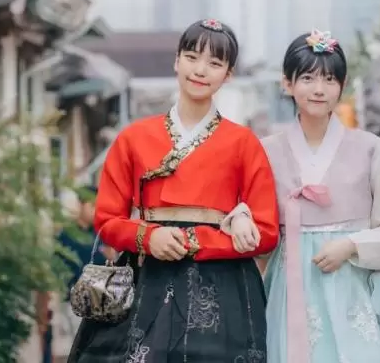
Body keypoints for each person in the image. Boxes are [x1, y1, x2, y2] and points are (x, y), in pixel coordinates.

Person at [67, 18, 280, 363]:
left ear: (228, 75)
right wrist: (148, 238)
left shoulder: (243, 143)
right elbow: (107, 220)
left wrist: (198, 240)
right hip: (146, 275)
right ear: (176, 61)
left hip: (224, 288)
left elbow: (267, 232)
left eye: (215, 63)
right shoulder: (134, 138)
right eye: (192, 57)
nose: (200, 70)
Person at [246, 30, 380, 363]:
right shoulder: (266, 151)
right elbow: (248, 214)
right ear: (287, 83)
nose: (319, 89)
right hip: (291, 289)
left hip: (356, 287)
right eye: (307, 78)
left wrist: (352, 246)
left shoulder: (369, 149)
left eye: (329, 79)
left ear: (342, 85)